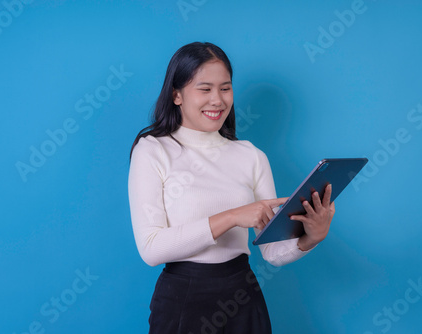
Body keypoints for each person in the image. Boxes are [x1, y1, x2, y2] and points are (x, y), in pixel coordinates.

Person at [128, 41, 335, 334]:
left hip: (243, 297)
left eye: (225, 88)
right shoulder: (153, 150)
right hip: (183, 300)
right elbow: (151, 248)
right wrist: (233, 216)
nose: (218, 100)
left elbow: (272, 251)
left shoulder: (251, 155)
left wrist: (310, 238)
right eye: (205, 89)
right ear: (176, 95)